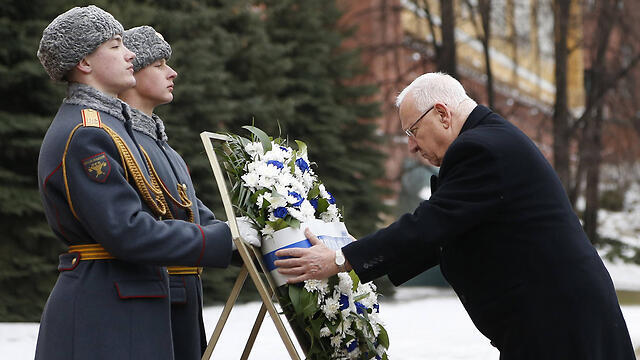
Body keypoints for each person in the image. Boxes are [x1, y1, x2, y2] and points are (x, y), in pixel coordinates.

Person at [274, 72, 636, 359]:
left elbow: (431, 223)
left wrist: (341, 259)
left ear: (442, 114)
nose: (412, 146)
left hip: (559, 328)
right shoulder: (490, 140)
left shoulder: (480, 149)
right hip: (559, 322)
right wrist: (356, 252)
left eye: (413, 131)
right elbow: (446, 233)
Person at [35, 6, 248, 359]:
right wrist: (226, 239)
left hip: (128, 302)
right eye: (116, 46)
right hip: (105, 309)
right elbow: (127, 232)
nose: (130, 54)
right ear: (85, 63)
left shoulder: (116, 127)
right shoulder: (88, 131)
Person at [118, 25, 259, 360]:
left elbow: (194, 213)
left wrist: (248, 240)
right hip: (156, 297)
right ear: (132, 73)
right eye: (159, 64)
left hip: (181, 298)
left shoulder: (163, 147)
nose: (172, 72)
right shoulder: (123, 141)